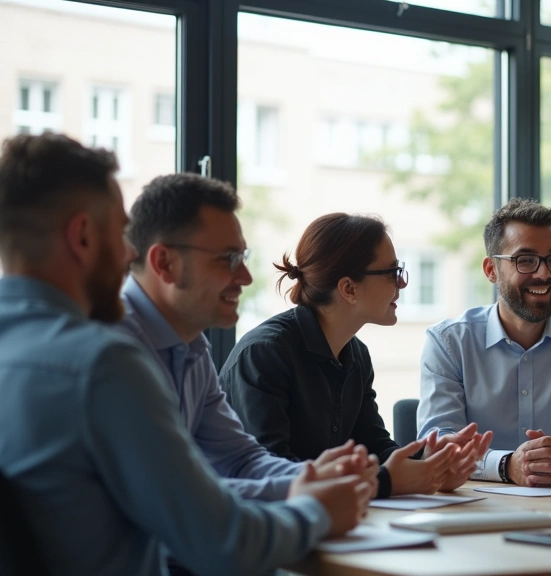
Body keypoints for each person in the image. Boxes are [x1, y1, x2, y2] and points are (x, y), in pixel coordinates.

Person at [0, 133, 376, 576]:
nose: (128, 253)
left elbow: (227, 466)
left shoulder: (174, 347)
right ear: (83, 236)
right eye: (119, 234)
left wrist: (305, 482)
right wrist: (318, 511)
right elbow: (221, 542)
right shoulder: (103, 364)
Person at [116, 173, 372, 502]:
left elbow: (241, 460)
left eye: (243, 257)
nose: (246, 277)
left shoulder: (192, 347)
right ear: (165, 263)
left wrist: (321, 478)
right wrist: (311, 505)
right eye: (228, 259)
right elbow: (171, 497)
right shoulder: (115, 350)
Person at [221, 213, 491, 498]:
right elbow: (270, 470)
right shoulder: (265, 353)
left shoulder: (356, 354)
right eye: (391, 273)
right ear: (348, 288)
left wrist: (429, 464)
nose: (402, 284)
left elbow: (374, 445)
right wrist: (385, 481)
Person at [418, 198, 551, 486]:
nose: (544, 273)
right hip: (477, 508)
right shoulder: (448, 343)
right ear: (491, 270)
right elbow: (438, 445)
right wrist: (507, 466)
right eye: (526, 260)